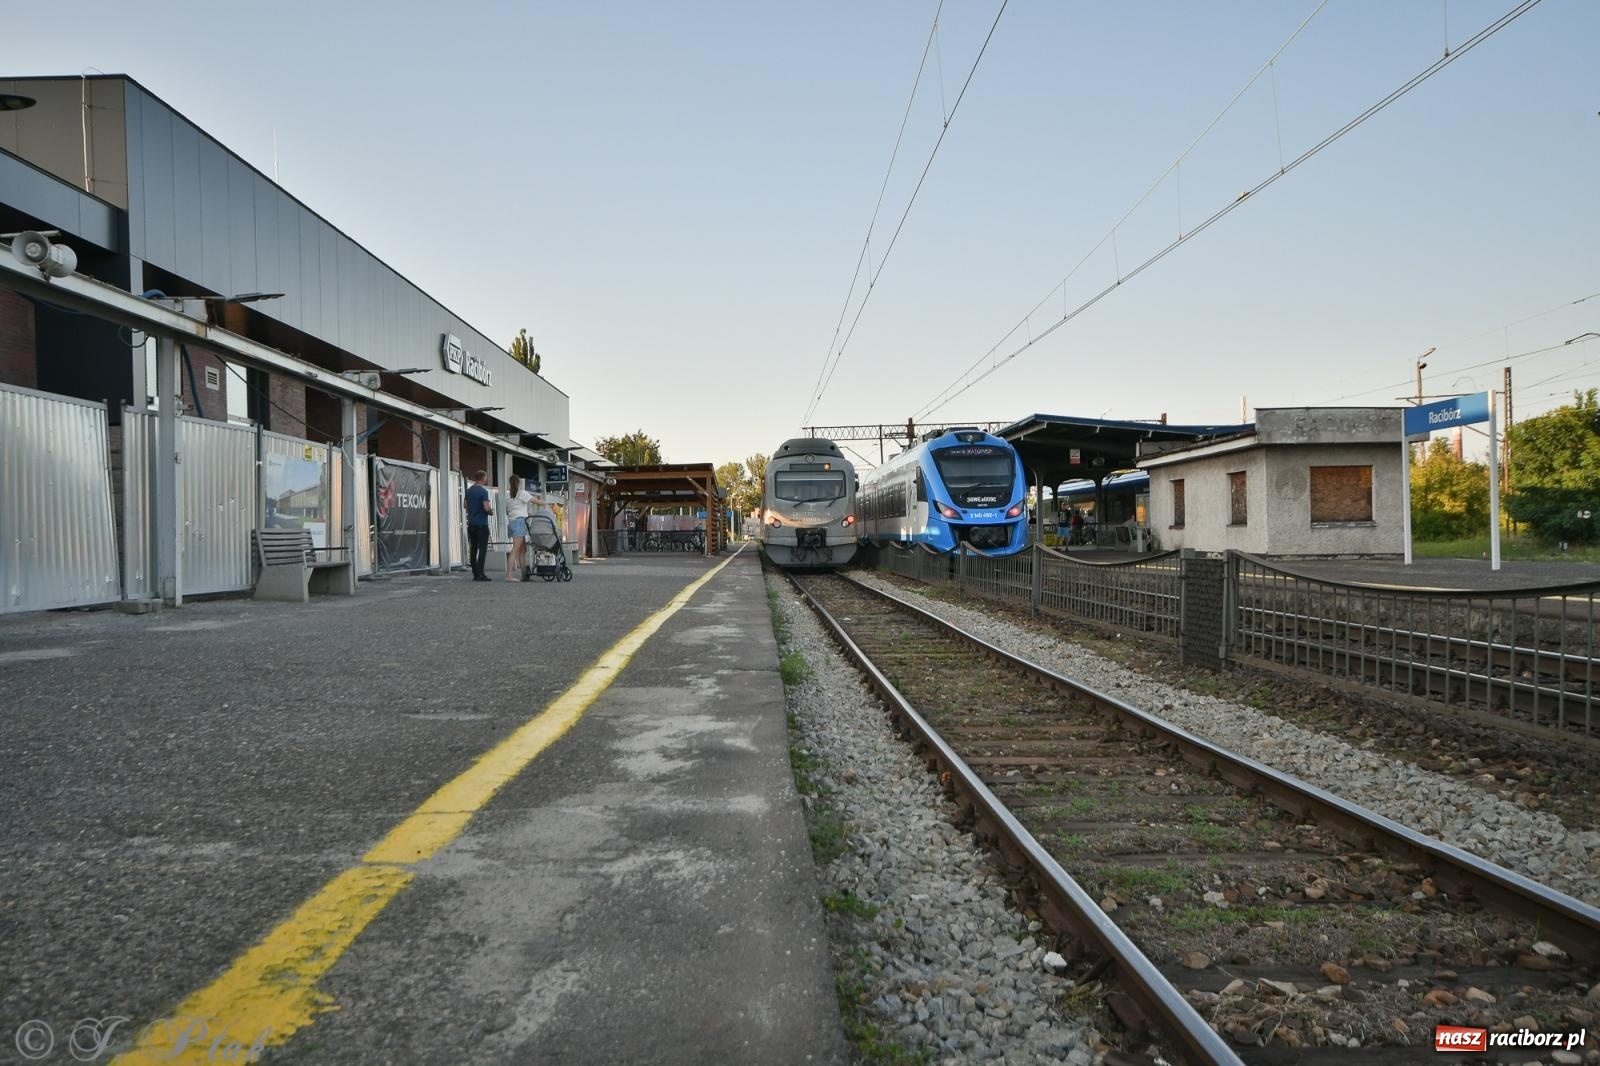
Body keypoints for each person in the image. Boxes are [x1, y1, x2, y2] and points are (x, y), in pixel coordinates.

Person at [465, 470, 493, 581]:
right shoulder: (483, 492)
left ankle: (475, 574)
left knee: (473, 549)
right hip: (482, 524)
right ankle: (481, 574)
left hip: (471, 524)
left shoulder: (469, 491)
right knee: (482, 550)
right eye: (486, 477)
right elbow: (486, 507)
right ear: (483, 478)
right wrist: (491, 511)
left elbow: (465, 505)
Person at [505, 475, 534, 581]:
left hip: (512, 522)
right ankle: (509, 576)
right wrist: (546, 503)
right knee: (515, 549)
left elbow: (507, 511)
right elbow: (535, 501)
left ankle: (524, 575)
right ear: (519, 482)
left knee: (522, 550)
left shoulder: (508, 495)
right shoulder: (521, 493)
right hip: (519, 522)